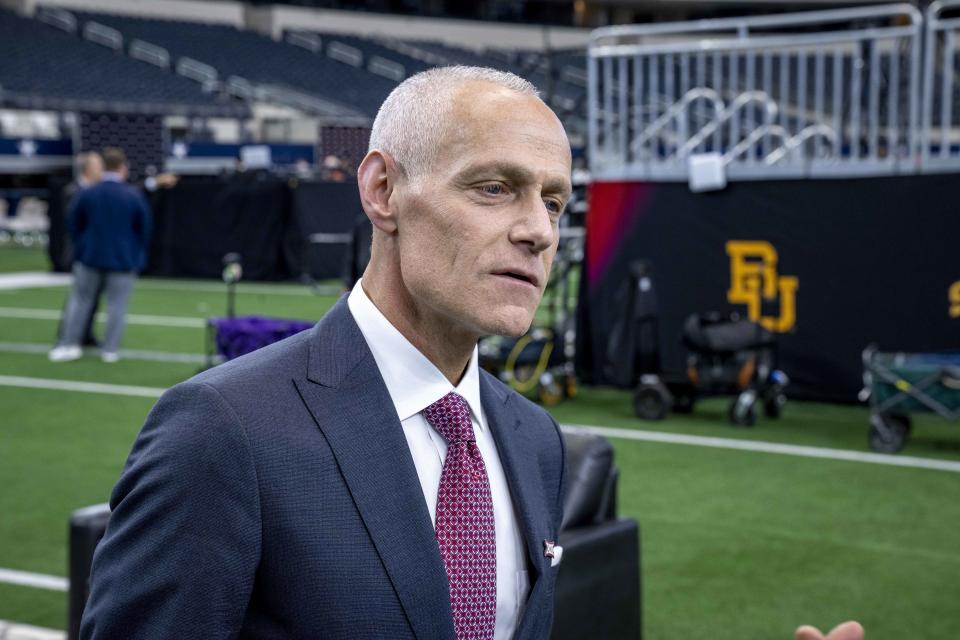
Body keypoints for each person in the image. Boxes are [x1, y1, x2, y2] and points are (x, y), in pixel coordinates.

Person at [79, 67, 860, 640]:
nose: (539, 230)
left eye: (554, 200)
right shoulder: (222, 430)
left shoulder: (536, 439)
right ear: (382, 190)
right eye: (495, 188)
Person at [49, 148, 152, 364]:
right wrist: (133, 250)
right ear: (123, 167)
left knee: (80, 301)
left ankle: (69, 344)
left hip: (89, 256)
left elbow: (73, 223)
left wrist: (84, 245)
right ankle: (110, 349)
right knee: (117, 305)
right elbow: (144, 228)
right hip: (123, 259)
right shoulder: (132, 194)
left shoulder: (88, 192)